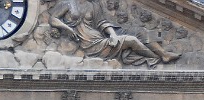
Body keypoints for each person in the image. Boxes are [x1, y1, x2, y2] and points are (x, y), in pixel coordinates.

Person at [49, 0, 180, 66]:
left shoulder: (93, 5)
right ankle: (155, 59)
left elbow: (102, 23)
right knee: (131, 40)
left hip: (101, 37)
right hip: (89, 44)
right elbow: (52, 18)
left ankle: (163, 53)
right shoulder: (67, 3)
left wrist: (113, 35)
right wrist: (67, 28)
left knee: (140, 32)